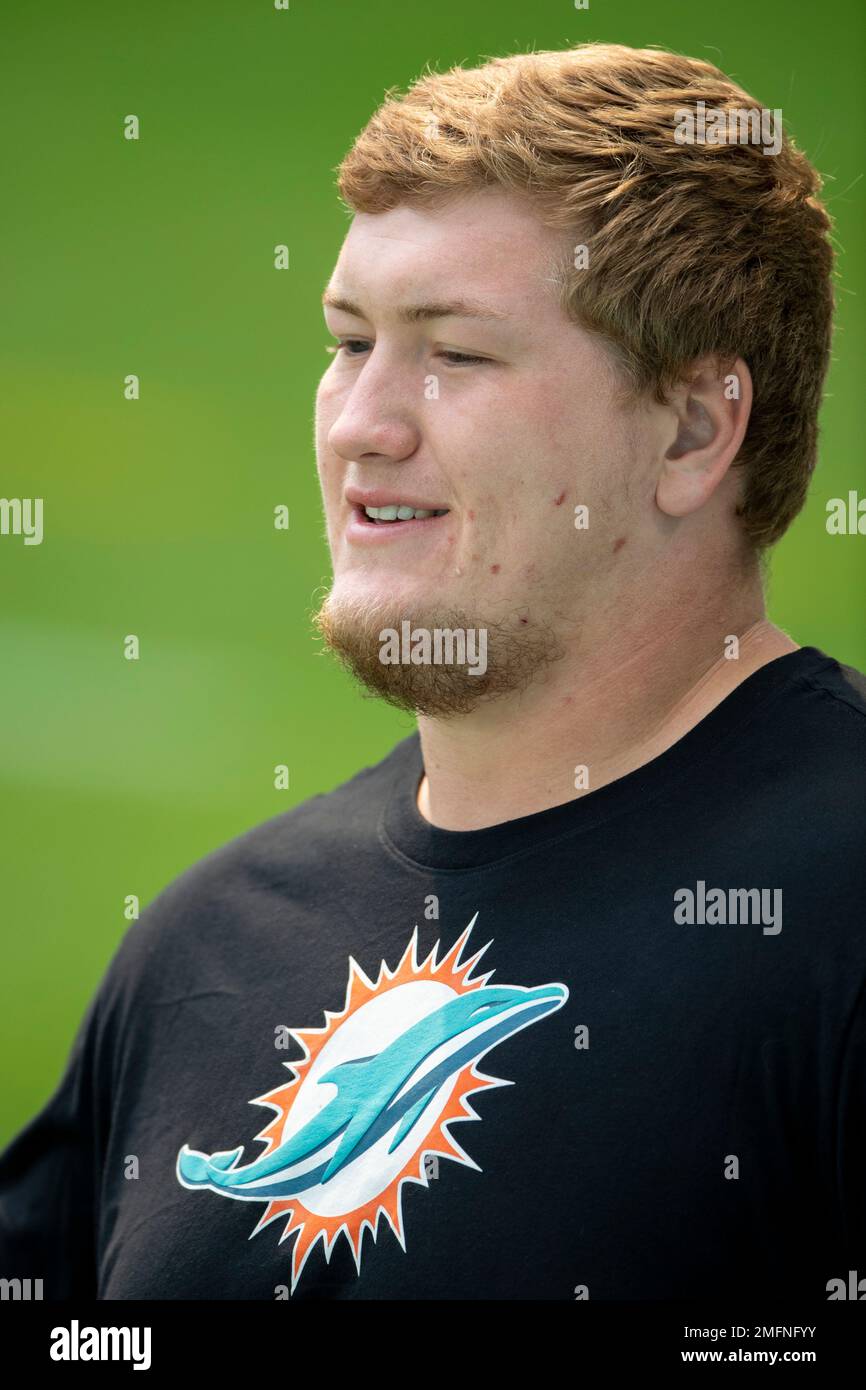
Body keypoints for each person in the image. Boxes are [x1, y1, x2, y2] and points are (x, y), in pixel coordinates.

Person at [1, 42, 863, 1302]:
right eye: (349, 342)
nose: (360, 423)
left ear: (691, 429)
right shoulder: (205, 945)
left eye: (452, 353)